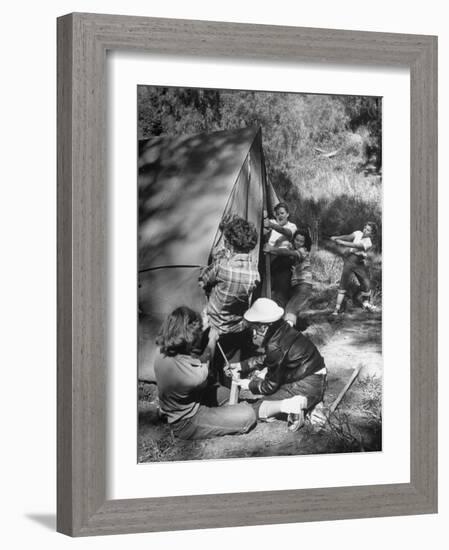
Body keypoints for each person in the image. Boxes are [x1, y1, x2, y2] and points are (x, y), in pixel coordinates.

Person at [154, 306, 256, 440]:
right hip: (188, 420)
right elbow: (205, 359)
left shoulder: (163, 349)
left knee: (225, 395)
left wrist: (204, 322)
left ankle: (166, 411)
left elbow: (189, 341)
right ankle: (183, 423)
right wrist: (212, 339)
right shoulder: (189, 377)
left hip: (193, 397)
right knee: (248, 415)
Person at [229, 298, 327, 432]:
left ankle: (292, 405)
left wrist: (248, 385)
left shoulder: (275, 346)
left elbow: (269, 386)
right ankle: (312, 403)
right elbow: (271, 358)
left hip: (306, 383)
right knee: (270, 389)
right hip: (315, 376)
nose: (253, 332)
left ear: (263, 327)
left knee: (256, 408)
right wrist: (244, 365)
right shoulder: (283, 329)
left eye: (254, 328)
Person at [199, 215, 260, 382]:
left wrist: (217, 260)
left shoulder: (222, 267)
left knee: (209, 368)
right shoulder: (255, 274)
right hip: (236, 328)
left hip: (214, 326)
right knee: (228, 370)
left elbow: (203, 280)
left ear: (230, 244)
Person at [264, 228, 313, 327]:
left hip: (303, 285)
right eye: (296, 240)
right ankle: (286, 332)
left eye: (301, 241)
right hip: (296, 286)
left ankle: (286, 334)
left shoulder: (303, 251)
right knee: (289, 309)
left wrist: (272, 249)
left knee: (291, 310)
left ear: (305, 243)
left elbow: (289, 253)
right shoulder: (294, 250)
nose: (298, 243)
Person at [330, 221, 378, 316]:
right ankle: (337, 309)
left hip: (359, 263)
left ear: (372, 234)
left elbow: (355, 245)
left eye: (368, 230)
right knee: (343, 283)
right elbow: (348, 237)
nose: (365, 230)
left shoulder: (369, 242)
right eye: (365, 227)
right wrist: (336, 237)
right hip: (350, 260)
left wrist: (341, 242)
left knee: (366, 283)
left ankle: (366, 303)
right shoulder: (358, 233)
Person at [264, 202, 298, 307]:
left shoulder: (292, 226)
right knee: (268, 291)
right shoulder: (272, 221)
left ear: (288, 214)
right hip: (269, 261)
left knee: (281, 292)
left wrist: (272, 225)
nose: (280, 216)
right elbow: (264, 228)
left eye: (282, 213)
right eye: (278, 214)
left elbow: (287, 233)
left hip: (283, 261)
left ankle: (281, 316)